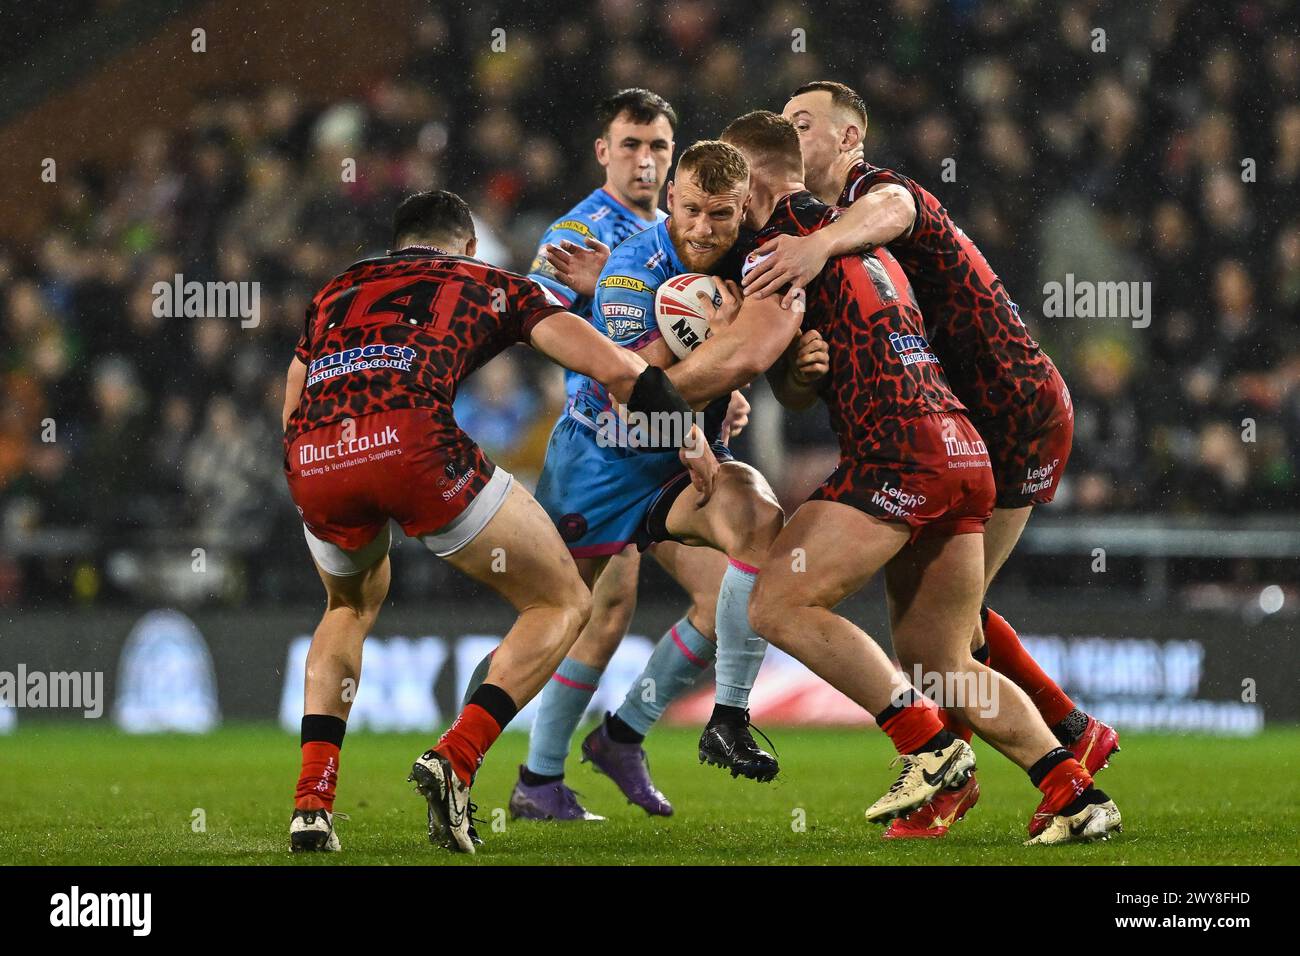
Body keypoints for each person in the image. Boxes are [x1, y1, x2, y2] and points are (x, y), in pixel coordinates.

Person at [661, 112, 1120, 844]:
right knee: (940, 659)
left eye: (732, 191)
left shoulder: (780, 245)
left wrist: (641, 389)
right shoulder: (847, 232)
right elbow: (806, 360)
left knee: (776, 603)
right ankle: (1073, 790)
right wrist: (802, 369)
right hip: (962, 447)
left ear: (750, 183)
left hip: (899, 452)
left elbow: (746, 353)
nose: (724, 212)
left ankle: (929, 748)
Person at [281, 189, 713, 855]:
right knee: (564, 598)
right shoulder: (486, 281)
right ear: (470, 244)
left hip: (316, 454)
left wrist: (324, 470)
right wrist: (685, 428)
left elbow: (293, 403)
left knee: (346, 608)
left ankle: (313, 804)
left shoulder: (338, 290)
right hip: (412, 446)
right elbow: (613, 366)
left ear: (397, 243)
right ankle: (456, 758)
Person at [522, 141, 802, 823]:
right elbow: (618, 375)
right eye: (631, 144)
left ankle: (627, 733)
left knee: (732, 580)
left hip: (678, 466)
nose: (705, 228)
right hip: (601, 456)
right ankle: (508, 771)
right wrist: (701, 384)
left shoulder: (752, 253)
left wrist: (763, 374)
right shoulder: (593, 241)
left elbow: (751, 350)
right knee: (574, 616)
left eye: (655, 144)